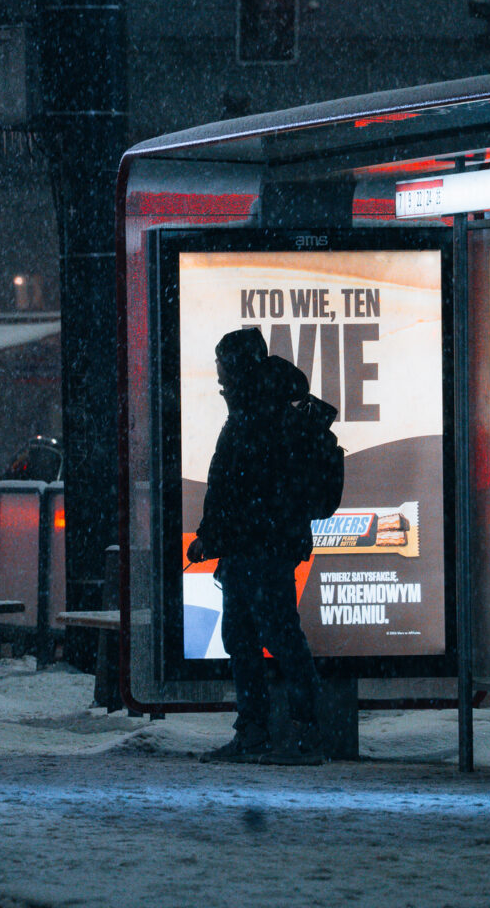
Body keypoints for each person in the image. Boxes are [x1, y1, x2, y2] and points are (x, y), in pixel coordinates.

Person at [186, 328, 323, 765]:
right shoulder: (260, 408)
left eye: (223, 365)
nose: (219, 377)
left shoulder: (260, 414)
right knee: (249, 639)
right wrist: (216, 536)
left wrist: (218, 534)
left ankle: (299, 737)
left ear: (240, 366)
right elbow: (234, 486)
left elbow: (240, 488)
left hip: (262, 550)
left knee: (276, 639)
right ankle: (261, 734)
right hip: (254, 549)